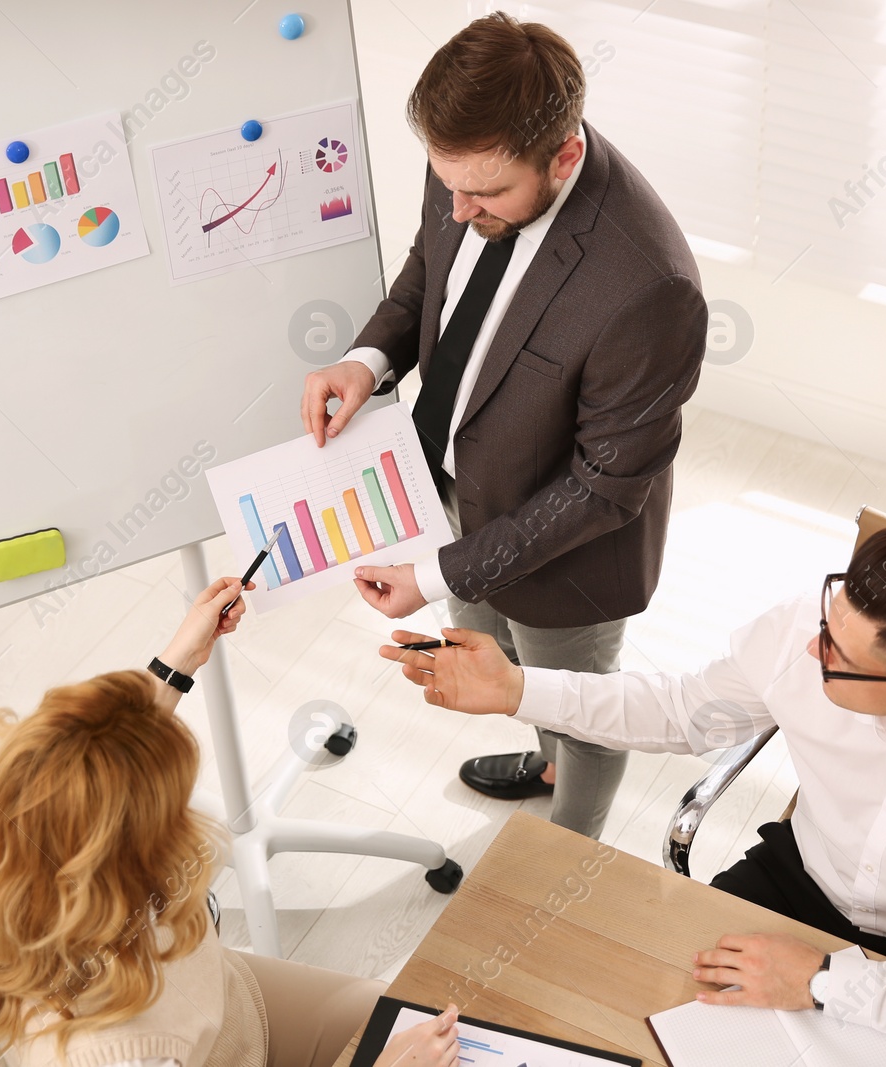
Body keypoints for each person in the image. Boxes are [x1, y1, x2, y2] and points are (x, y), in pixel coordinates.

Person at [377, 527, 886, 1059]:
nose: (811, 647)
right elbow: (681, 710)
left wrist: (827, 979)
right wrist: (517, 687)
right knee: (636, 1025)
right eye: (829, 615)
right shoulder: (813, 623)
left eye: (837, 653)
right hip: (797, 883)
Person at [299, 13, 708, 841]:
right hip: (458, 495)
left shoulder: (649, 285)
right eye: (448, 184)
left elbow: (602, 489)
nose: (458, 206)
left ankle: (567, 840)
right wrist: (368, 358)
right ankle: (546, 754)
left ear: (563, 155)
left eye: (484, 194)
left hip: (569, 551)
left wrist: (440, 570)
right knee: (506, 664)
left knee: (580, 705)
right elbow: (431, 268)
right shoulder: (469, 162)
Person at [0, 576, 460, 1067]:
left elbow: (100, 766)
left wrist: (182, 656)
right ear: (139, 852)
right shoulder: (118, 1051)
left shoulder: (18, 849)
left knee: (405, 1017)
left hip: (234, 1007)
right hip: (202, 1040)